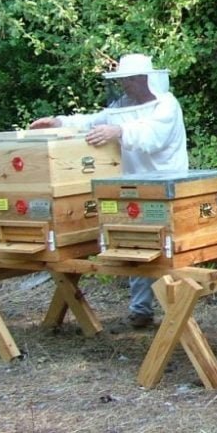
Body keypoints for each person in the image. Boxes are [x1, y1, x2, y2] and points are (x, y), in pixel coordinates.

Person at [31, 53, 188, 328]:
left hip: (166, 183)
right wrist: (60, 122)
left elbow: (153, 136)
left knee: (165, 247)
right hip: (132, 183)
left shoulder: (167, 105)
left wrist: (119, 131)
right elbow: (94, 121)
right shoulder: (123, 105)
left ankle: (178, 310)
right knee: (134, 243)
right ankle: (141, 309)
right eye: (122, 80)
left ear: (144, 79)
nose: (125, 85)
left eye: (129, 80)